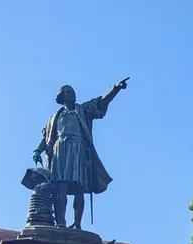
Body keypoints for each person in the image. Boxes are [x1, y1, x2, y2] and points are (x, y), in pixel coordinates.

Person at [33, 79, 129, 229]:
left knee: (79, 187)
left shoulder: (83, 110)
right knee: (61, 187)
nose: (73, 94)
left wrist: (115, 89)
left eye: (73, 91)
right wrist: (38, 150)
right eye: (68, 92)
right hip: (60, 151)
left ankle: (77, 224)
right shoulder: (55, 117)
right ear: (62, 97)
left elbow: (101, 102)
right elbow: (47, 138)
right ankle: (61, 222)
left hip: (79, 150)